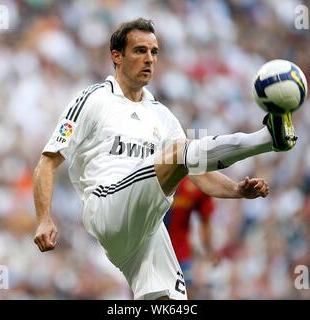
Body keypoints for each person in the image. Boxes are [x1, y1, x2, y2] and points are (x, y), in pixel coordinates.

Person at [33, 18, 297, 300]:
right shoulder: (93, 99)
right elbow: (47, 161)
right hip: (106, 206)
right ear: (117, 56)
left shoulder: (162, 115)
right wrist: (44, 219)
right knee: (178, 151)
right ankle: (267, 139)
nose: (149, 59)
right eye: (140, 51)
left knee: (167, 302)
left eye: (154, 52)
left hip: (146, 227)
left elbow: (194, 169)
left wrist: (236, 190)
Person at [165, 176, 215, 299]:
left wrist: (209, 252)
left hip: (180, 253)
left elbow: (205, 222)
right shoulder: (153, 173)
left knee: (186, 293)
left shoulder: (196, 183)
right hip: (150, 251)